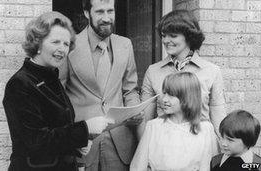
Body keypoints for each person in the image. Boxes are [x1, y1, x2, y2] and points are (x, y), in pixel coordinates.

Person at [3, 11, 110, 171]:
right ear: (37, 43)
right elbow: (37, 141)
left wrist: (76, 146)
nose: (62, 49)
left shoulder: (51, 78)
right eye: (55, 42)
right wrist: (85, 129)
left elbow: (56, 130)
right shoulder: (20, 84)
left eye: (66, 44)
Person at [59, 0, 143, 170]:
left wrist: (135, 109)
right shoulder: (68, 45)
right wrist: (70, 135)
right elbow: (59, 97)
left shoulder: (125, 44)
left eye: (110, 11)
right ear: (86, 12)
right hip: (82, 145)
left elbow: (130, 90)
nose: (106, 18)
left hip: (120, 144)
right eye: (100, 12)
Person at [139, 9, 226, 138]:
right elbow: (145, 121)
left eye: (173, 36)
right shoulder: (153, 71)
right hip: (165, 145)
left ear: (189, 36)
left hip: (201, 145)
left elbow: (219, 120)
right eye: (163, 35)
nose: (166, 40)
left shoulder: (212, 71)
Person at [130, 72, 218, 171]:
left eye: (171, 95)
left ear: (187, 97)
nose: (164, 99)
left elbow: (210, 166)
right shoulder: (153, 127)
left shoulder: (205, 129)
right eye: (164, 93)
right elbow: (138, 166)